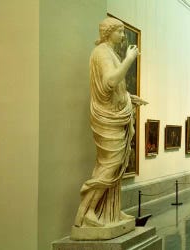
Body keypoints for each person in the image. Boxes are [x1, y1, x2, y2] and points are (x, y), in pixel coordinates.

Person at [73, 17, 146, 235]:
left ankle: (110, 213)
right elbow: (110, 82)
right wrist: (130, 59)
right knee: (109, 166)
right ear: (108, 32)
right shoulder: (101, 53)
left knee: (115, 165)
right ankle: (86, 213)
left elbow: (116, 88)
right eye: (120, 32)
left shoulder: (110, 53)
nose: (124, 36)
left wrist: (130, 97)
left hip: (117, 113)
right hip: (107, 118)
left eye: (124, 32)